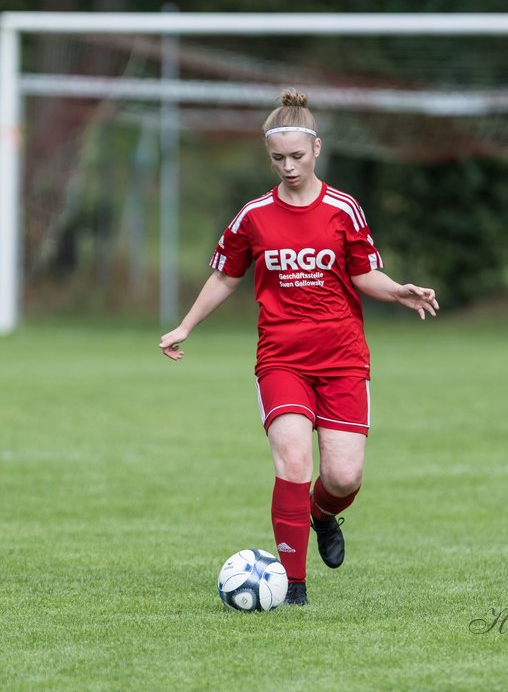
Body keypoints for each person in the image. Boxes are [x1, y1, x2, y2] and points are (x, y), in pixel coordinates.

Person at [160, 90, 438, 606]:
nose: (288, 167)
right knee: (293, 463)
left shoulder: (343, 209)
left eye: (297, 156)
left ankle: (322, 514)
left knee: (343, 476)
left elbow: (364, 274)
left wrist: (398, 290)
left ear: (317, 149)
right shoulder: (254, 216)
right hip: (281, 359)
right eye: (277, 158)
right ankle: (294, 586)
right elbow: (225, 278)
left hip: (343, 358)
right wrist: (185, 326)